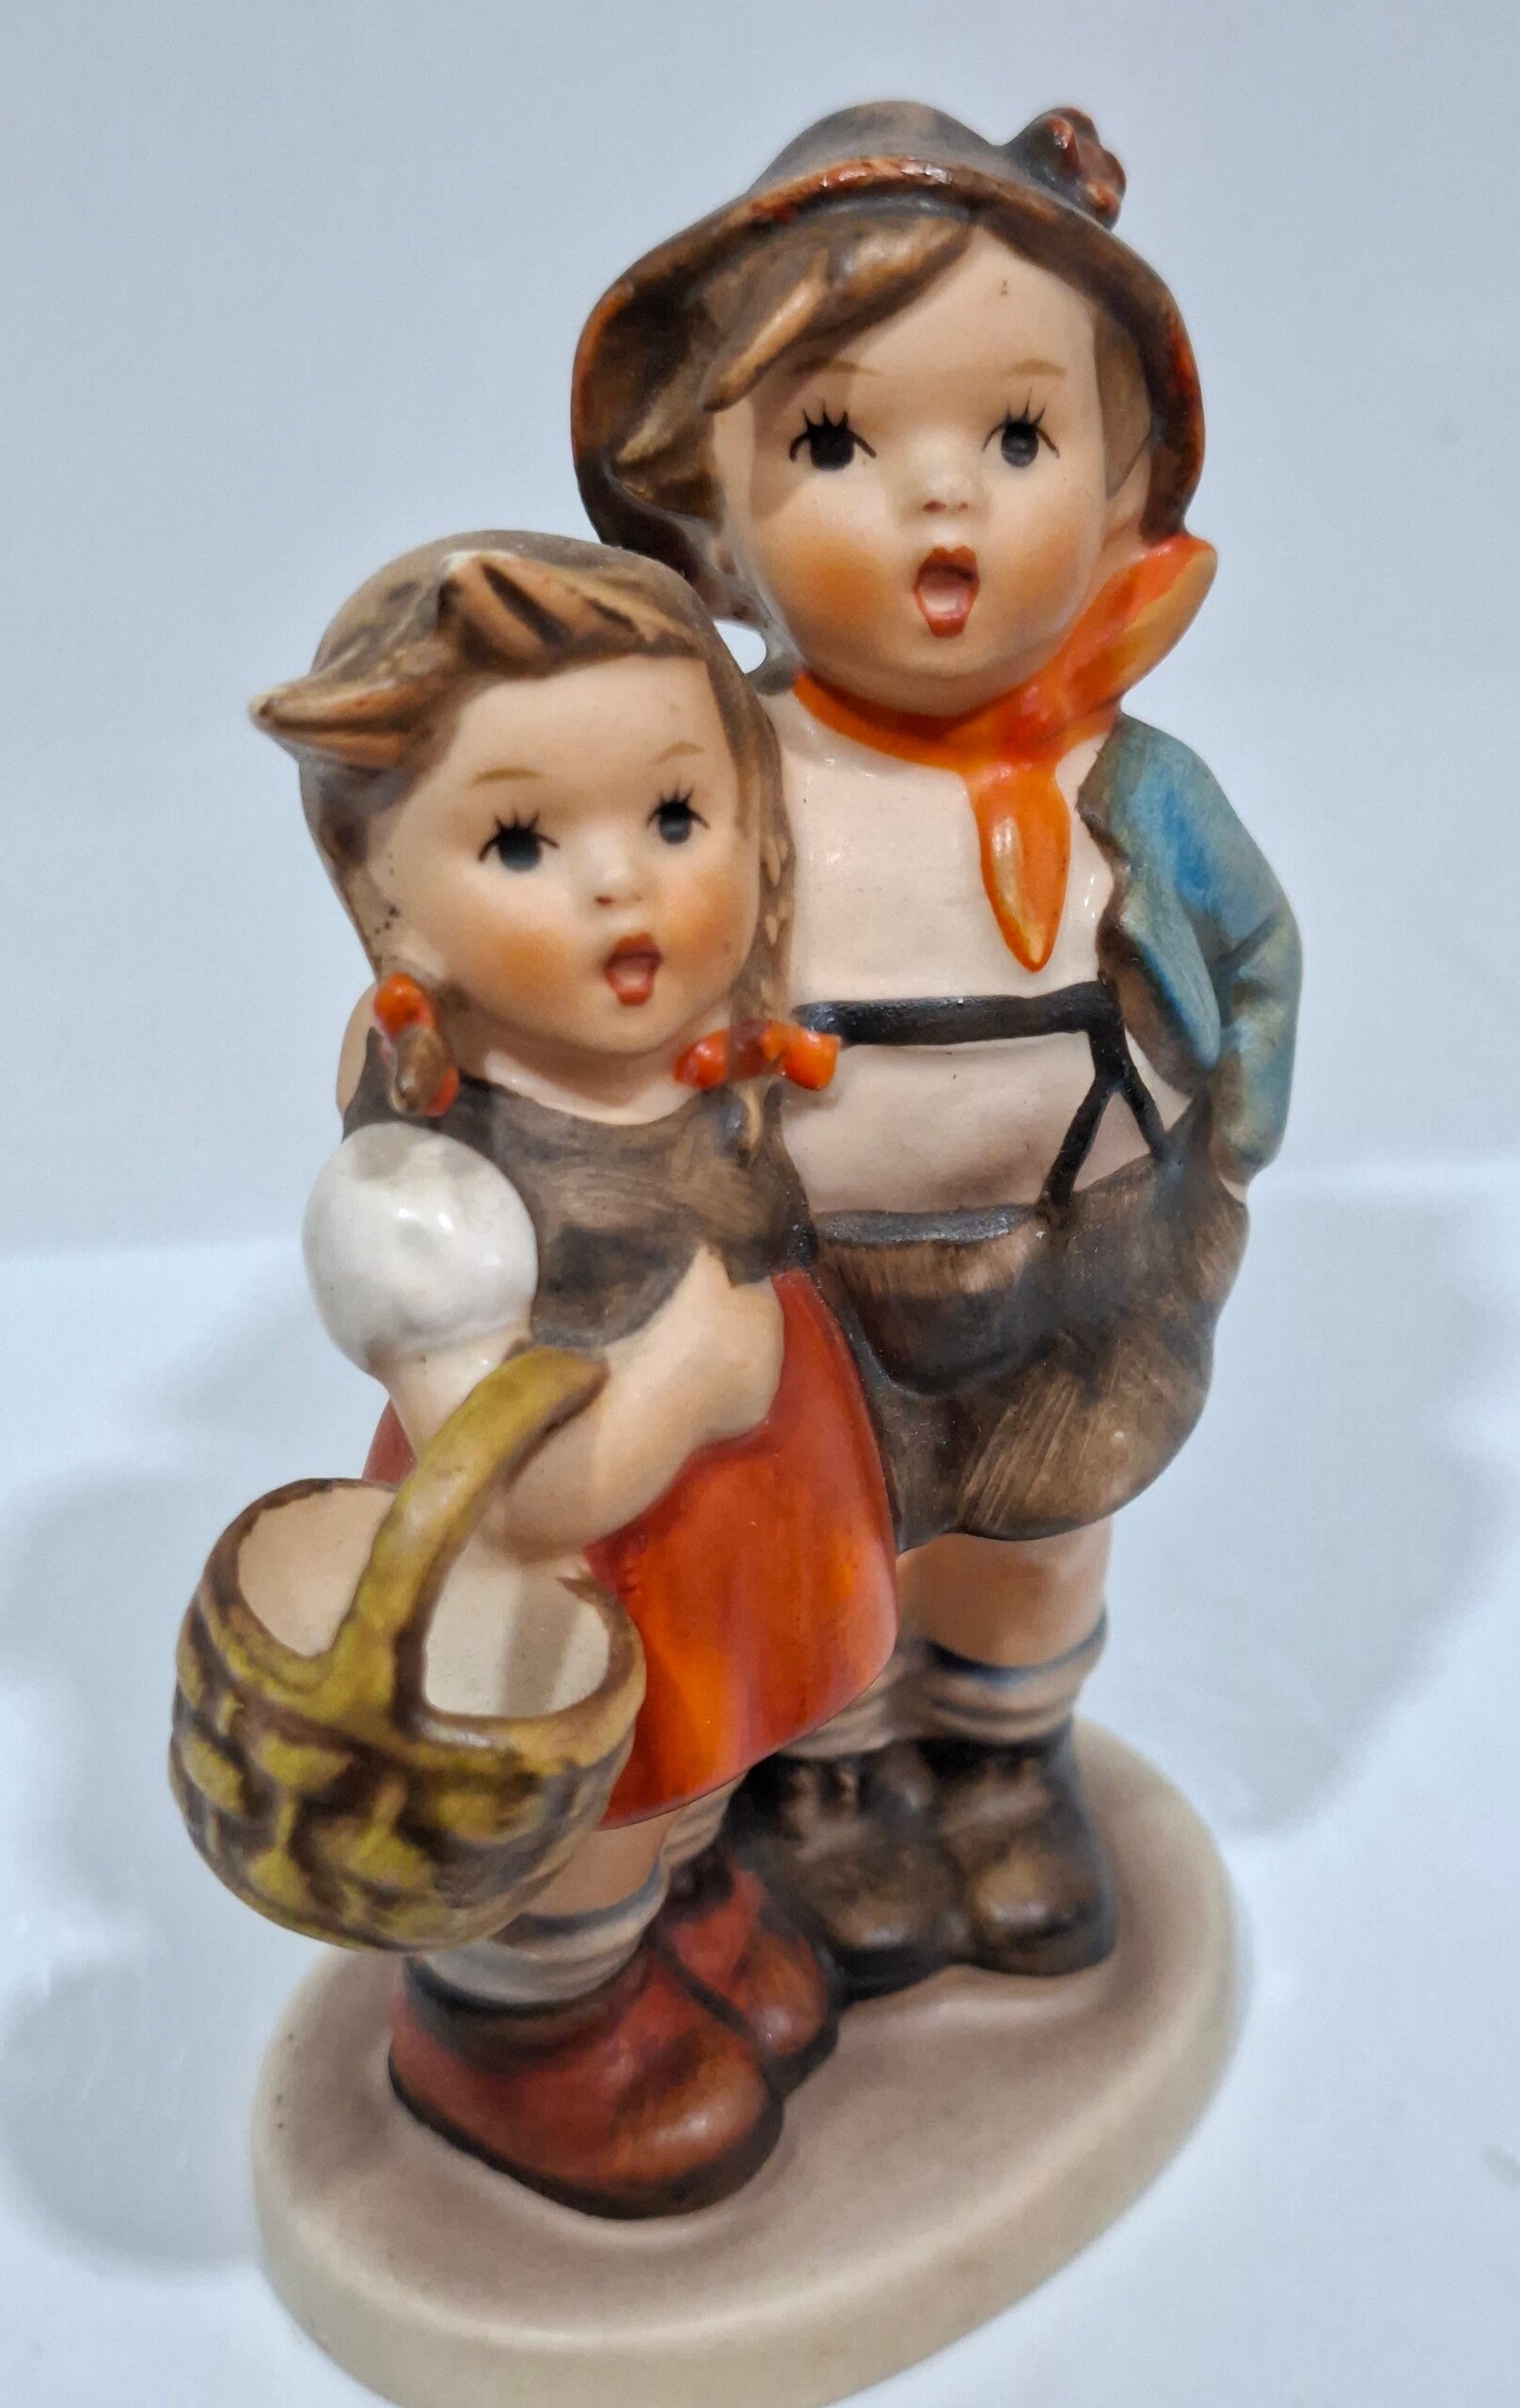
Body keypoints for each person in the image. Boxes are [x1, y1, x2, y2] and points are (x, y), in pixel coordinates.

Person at [570, 105, 1303, 1993]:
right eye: (834, 443)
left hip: (1092, 1254)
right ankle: (832, 1796)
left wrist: (1232, 1136)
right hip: (812, 1289)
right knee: (827, 1568)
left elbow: (1254, 952)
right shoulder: (714, 787)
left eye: (1018, 437)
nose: (941, 503)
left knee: (1039, 1546)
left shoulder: (1136, 783)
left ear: (1124, 491)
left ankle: (1005, 1763)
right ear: (707, 517)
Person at [258, 531, 895, 2213]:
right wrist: (684, 1383)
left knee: (698, 1777)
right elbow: (513, 1489)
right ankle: (525, 2032)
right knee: (585, 1817)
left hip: (732, 1540)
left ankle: (684, 1916)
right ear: (385, 899)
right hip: (576, 1577)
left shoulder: (716, 1056)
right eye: (525, 841)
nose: (625, 888)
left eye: (677, 817)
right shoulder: (427, 1189)